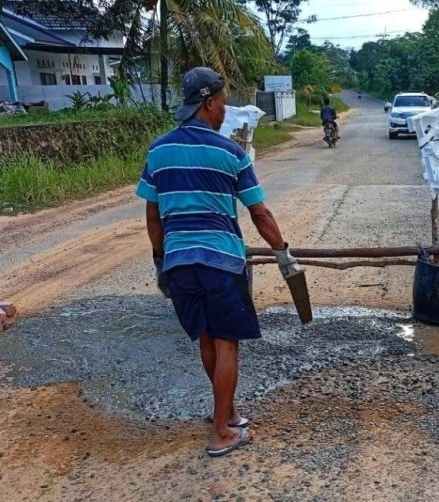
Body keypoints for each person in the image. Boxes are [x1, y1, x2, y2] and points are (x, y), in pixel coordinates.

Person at [136, 67, 302, 457]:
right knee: (228, 344)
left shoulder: (158, 151)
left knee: (209, 339)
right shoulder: (231, 153)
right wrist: (282, 252)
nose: (226, 111)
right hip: (222, 262)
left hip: (179, 262)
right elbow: (259, 214)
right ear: (208, 103)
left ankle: (227, 413)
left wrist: (161, 260)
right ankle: (220, 434)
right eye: (224, 103)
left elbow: (152, 217)